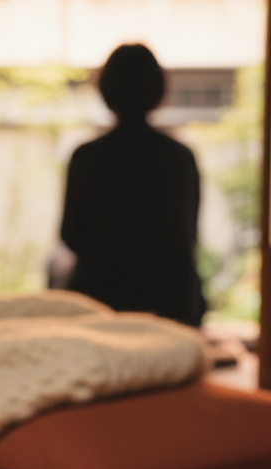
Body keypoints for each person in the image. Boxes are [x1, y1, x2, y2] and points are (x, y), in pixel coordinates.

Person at [59, 43, 207, 327]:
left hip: (101, 299)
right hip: (172, 302)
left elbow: (70, 236)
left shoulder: (87, 157)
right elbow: (190, 236)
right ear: (159, 91)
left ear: (105, 91)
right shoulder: (179, 158)